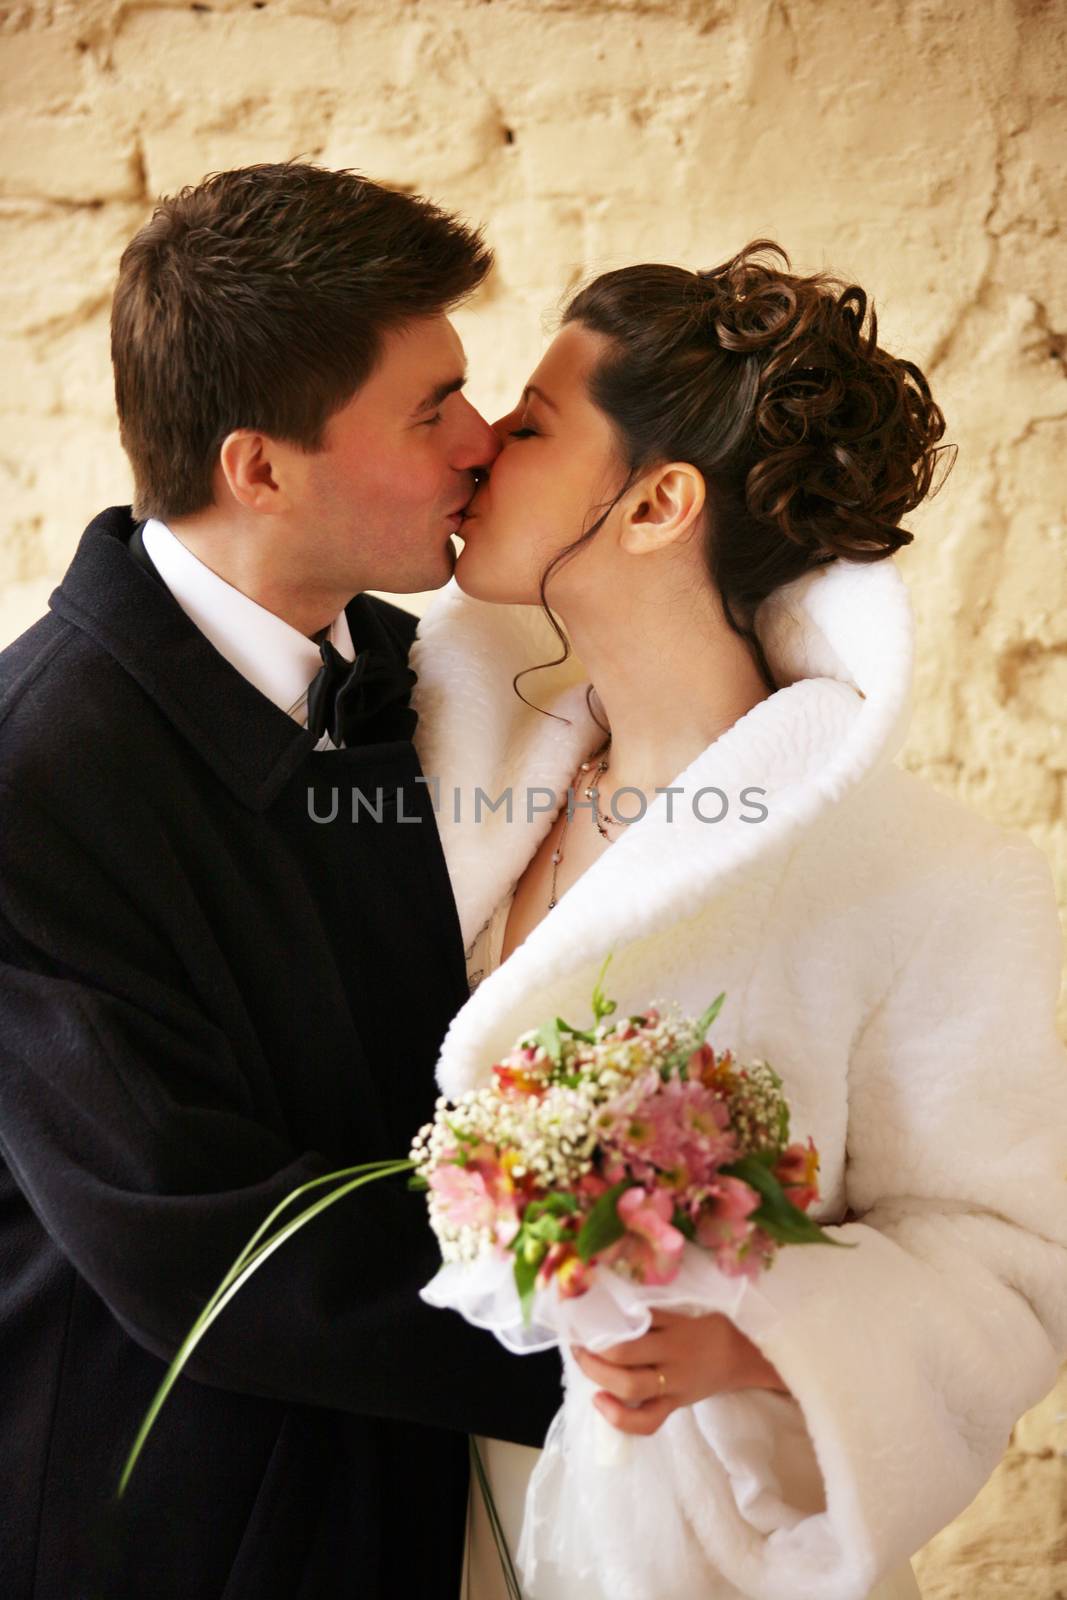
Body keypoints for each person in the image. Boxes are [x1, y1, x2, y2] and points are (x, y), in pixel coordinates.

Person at [409, 243, 1067, 1599]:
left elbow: (1011, 1264)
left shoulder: (933, 882)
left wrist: (752, 1334)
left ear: (655, 504)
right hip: (418, 1513)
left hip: (695, 1549)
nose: (478, 451)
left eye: (531, 426)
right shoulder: (444, 788)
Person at [0, 162, 564, 1600]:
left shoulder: (403, 679)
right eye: (430, 408)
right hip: (166, 1529)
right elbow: (189, 1232)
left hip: (403, 1495)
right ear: (259, 468)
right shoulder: (34, 779)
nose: (483, 441)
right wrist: (618, 1348)